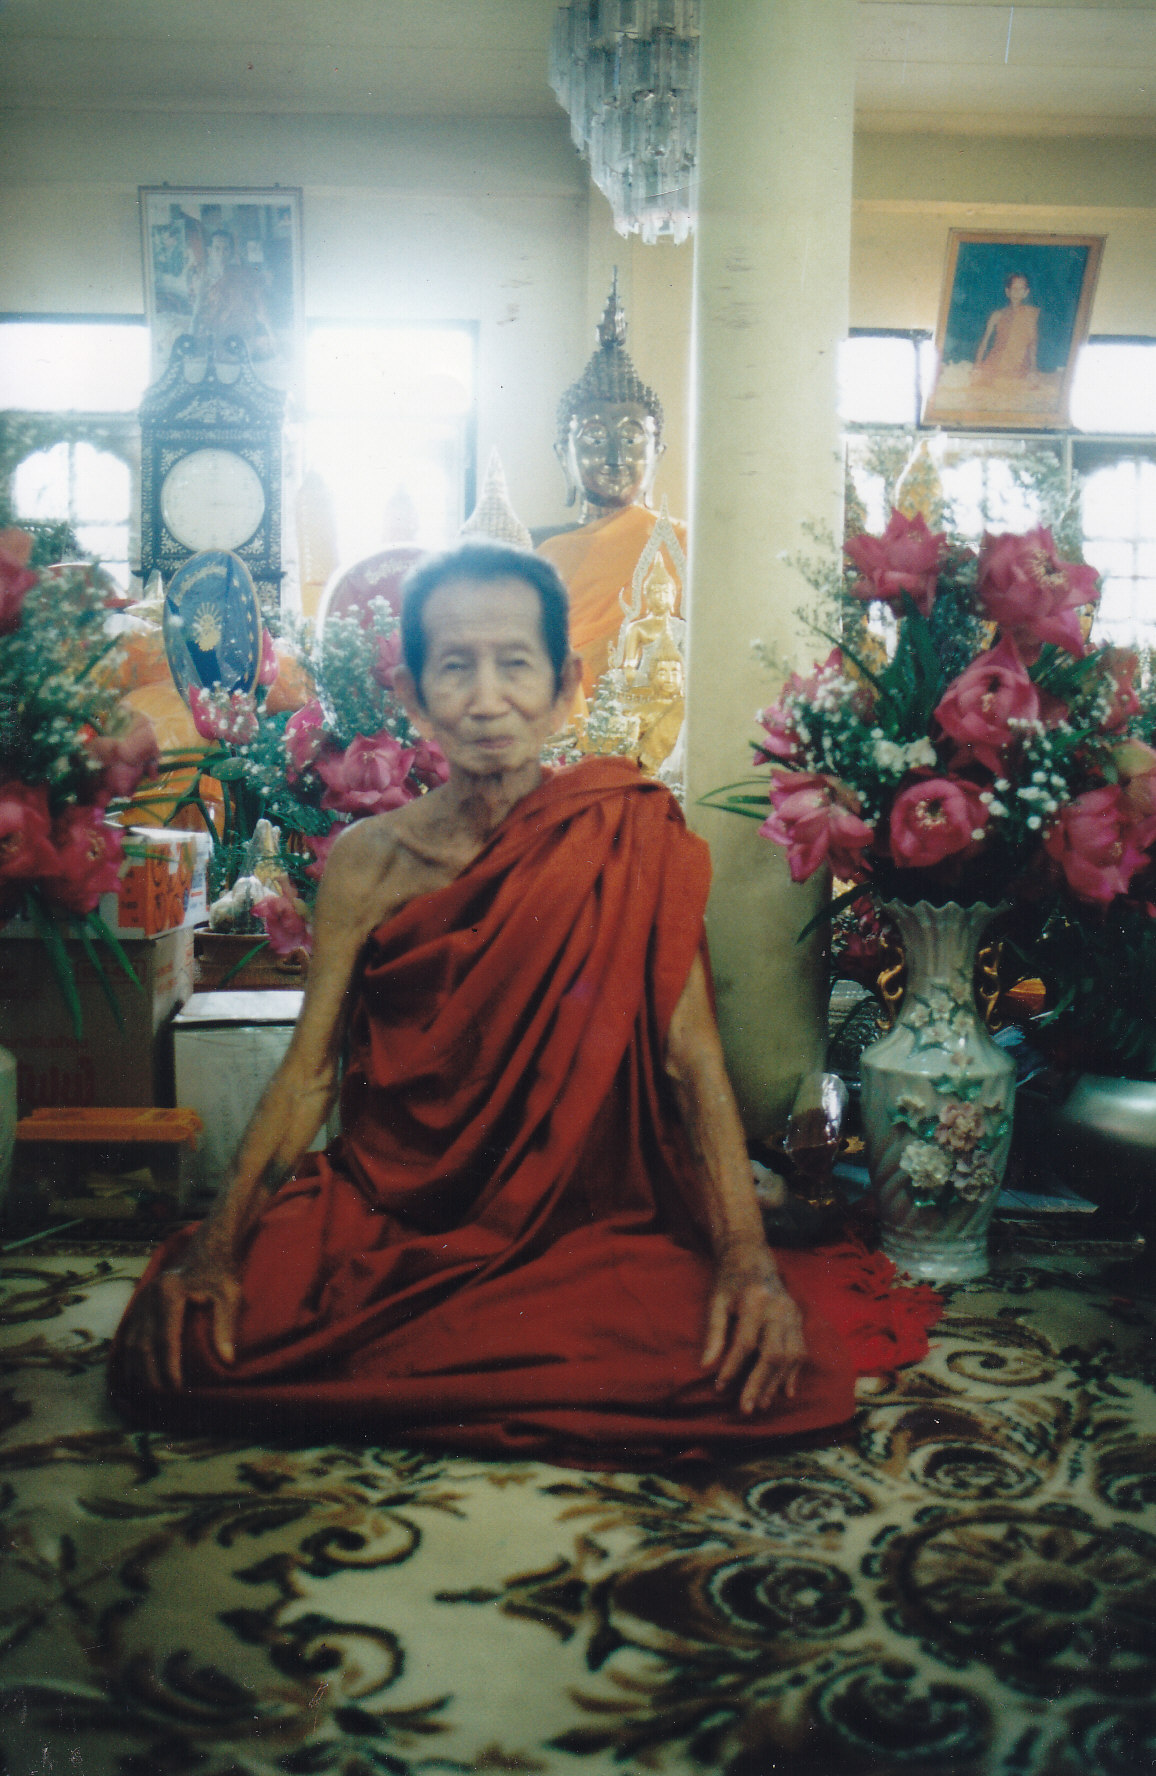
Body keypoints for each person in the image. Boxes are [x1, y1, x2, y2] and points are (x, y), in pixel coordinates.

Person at [111, 541, 938, 1463]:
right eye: (454, 668)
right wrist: (219, 1247)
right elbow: (309, 1076)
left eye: (515, 664)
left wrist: (748, 1263)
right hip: (394, 1209)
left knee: (750, 1360)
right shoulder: (369, 864)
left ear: (564, 687)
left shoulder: (621, 833)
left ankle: (446, 1357)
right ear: (413, 696)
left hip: (574, 1217)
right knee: (187, 1343)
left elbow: (689, 1062)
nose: (487, 698)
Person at [539, 279, 687, 694]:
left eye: (631, 438)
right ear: (562, 455)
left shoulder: (684, 545)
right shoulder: (537, 551)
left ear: (657, 454)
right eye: (594, 438)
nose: (615, 458)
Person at [972, 273, 1040, 386]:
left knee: (1026, 383)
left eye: (1021, 289)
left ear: (1026, 292)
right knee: (979, 380)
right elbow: (984, 342)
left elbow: (1032, 343)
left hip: (1018, 363)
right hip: (996, 361)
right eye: (1014, 288)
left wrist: (1033, 367)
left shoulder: (1029, 314)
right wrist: (977, 364)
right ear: (1007, 291)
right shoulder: (997, 315)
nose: (1017, 292)